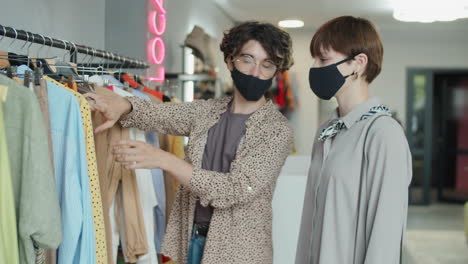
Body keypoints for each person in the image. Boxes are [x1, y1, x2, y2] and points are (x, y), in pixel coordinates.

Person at [86, 21, 294, 264]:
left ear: (275, 72)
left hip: (240, 251)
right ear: (229, 60)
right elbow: (157, 115)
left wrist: (165, 160)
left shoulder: (276, 130)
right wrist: (123, 104)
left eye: (267, 64)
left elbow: (236, 189)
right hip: (193, 240)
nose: (256, 72)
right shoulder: (207, 111)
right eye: (247, 59)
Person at [295, 16, 412, 264]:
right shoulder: (327, 131)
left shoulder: (383, 133)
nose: (315, 67)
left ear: (358, 63)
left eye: (324, 59)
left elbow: (386, 235)